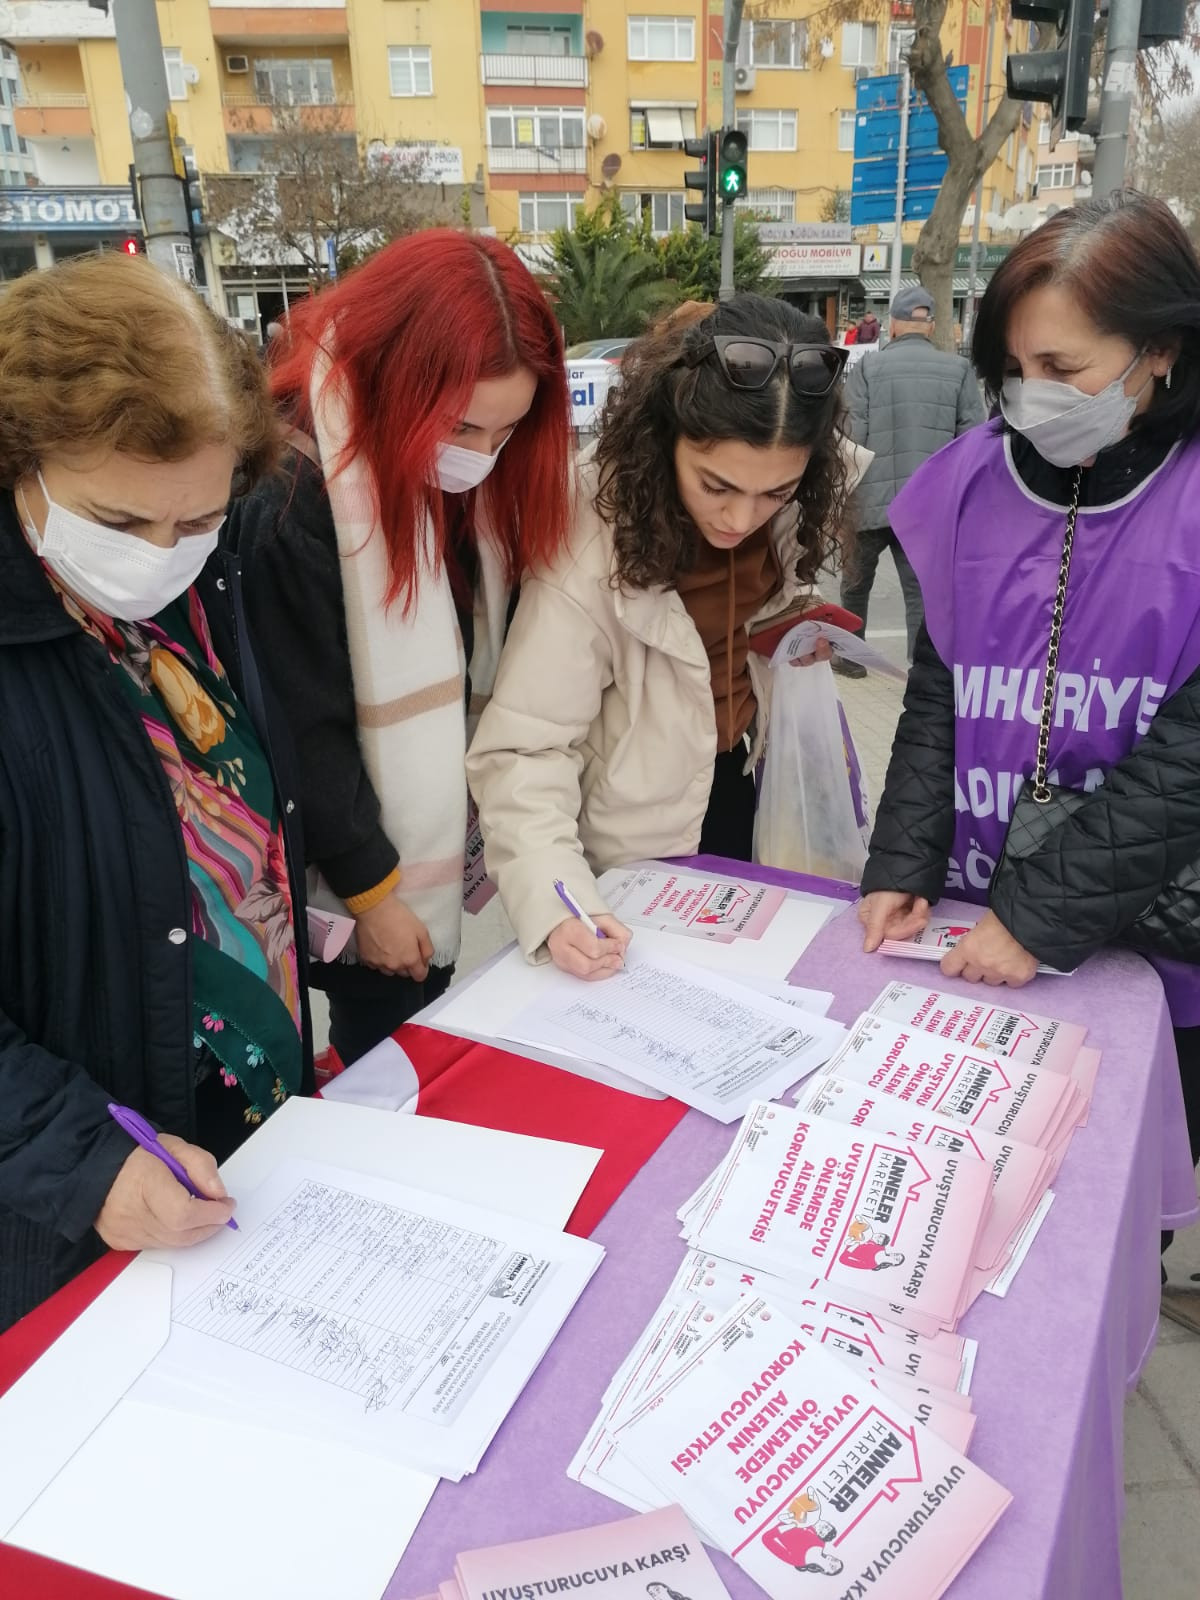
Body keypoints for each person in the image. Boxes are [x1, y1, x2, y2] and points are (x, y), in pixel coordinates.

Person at [855, 192, 1200, 1301]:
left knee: (1097, 1234)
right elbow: (937, 690)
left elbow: (1189, 764)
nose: (1033, 398)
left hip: (1147, 938)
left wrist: (1043, 915)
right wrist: (903, 862)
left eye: (1065, 366)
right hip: (971, 923)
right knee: (953, 1206)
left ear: (1158, 349)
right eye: (1013, 369)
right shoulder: (971, 481)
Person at [0, 254, 312, 1332]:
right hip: (77, 1201)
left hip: (237, 1120)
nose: (160, 558)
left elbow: (206, 799)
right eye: (121, 522)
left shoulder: (198, 584)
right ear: (21, 462)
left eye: (197, 520)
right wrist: (84, 1161)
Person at [229, 230, 572, 1067]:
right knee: (387, 1048)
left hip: (424, 823)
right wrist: (374, 892)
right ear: (398, 381)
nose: (482, 458)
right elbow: (305, 722)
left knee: (422, 1021)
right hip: (354, 859)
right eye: (460, 427)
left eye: (507, 431)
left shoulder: (458, 473)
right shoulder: (297, 489)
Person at [467, 294, 868, 979]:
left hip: (750, 788)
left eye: (776, 494)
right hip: (634, 846)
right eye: (716, 486)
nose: (741, 518)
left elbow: (733, 625)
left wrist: (786, 635)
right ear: (667, 435)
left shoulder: (786, 504)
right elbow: (526, 748)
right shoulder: (588, 533)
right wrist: (559, 902)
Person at [834, 284, 985, 677]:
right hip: (928, 505)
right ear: (931, 326)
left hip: (870, 497)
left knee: (856, 580)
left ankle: (851, 658)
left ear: (894, 326)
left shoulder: (868, 368)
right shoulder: (959, 370)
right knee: (922, 590)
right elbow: (974, 439)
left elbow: (851, 435)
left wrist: (840, 499)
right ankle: (923, 669)